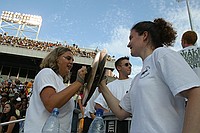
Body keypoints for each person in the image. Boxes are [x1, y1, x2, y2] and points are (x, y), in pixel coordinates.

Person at [98, 18, 200, 133]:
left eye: (131, 37)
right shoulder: (137, 79)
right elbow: (121, 112)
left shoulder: (161, 54)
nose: (128, 44)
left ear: (145, 36)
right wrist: (102, 86)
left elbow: (196, 93)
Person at [24, 46, 87, 133]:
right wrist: (78, 82)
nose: (71, 62)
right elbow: (51, 104)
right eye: (68, 58)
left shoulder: (60, 82)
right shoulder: (46, 72)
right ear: (56, 59)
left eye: (72, 60)